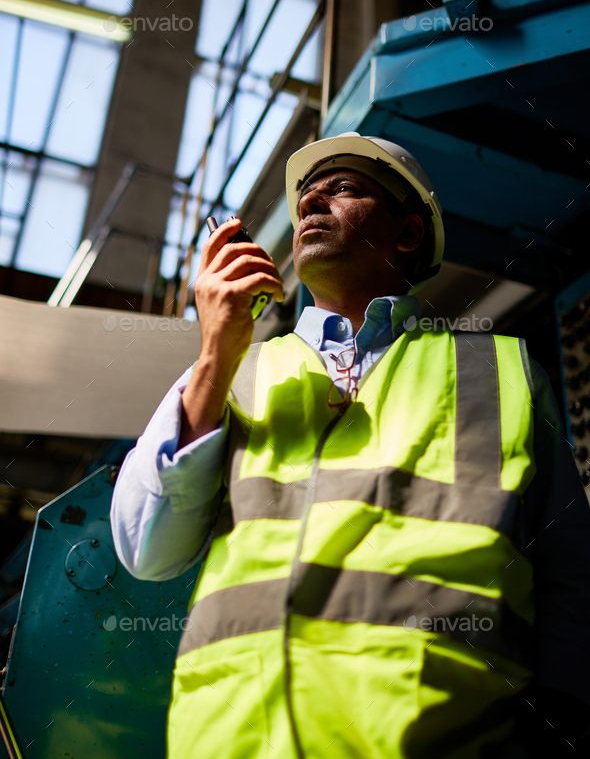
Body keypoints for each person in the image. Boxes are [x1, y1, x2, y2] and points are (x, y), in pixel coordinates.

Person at [111, 133, 590, 758]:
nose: (312, 201)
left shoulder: (495, 370)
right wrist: (213, 353)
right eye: (308, 193)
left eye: (343, 189)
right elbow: (146, 548)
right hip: (235, 739)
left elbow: (573, 581)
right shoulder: (236, 370)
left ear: (408, 234)